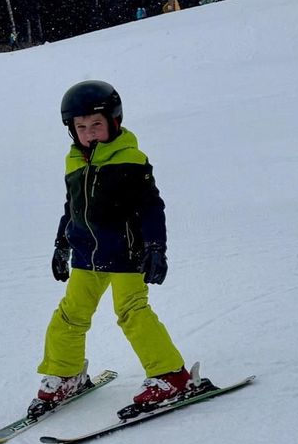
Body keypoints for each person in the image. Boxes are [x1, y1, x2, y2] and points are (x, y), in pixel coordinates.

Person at [29, 80, 193, 416]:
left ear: (114, 122)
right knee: (69, 315)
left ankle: (171, 375)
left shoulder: (131, 159)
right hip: (86, 255)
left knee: (131, 312)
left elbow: (151, 206)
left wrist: (156, 247)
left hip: (126, 254)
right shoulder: (74, 162)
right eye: (81, 126)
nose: (89, 133)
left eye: (96, 124)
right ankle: (67, 375)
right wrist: (62, 244)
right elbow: (71, 208)